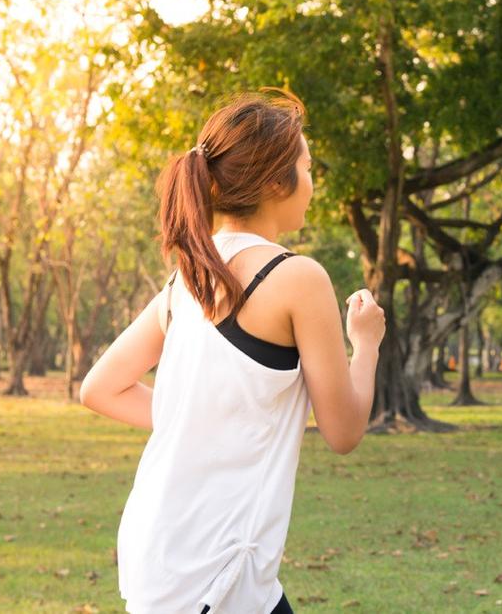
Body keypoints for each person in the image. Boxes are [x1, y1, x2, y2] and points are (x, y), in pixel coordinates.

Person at [79, 88, 385, 613]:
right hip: (215, 568)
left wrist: (200, 419)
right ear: (273, 181)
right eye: (307, 168)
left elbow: (100, 388)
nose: (313, 185)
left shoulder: (188, 279)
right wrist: (367, 344)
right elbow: (344, 431)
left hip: (166, 549)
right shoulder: (297, 277)